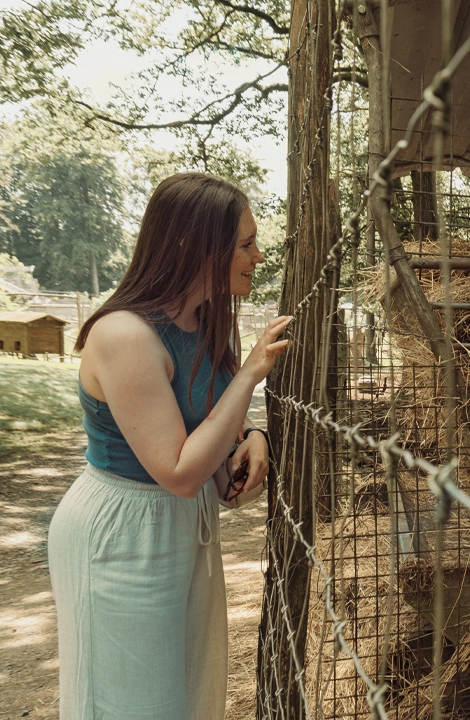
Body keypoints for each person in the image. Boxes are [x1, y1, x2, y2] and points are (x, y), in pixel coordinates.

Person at [47, 172, 292, 719]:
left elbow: (209, 420)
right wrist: (251, 374)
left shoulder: (203, 322)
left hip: (181, 525)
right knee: (127, 702)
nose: (257, 255)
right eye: (246, 244)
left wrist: (253, 435)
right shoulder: (125, 335)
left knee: (184, 694)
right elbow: (180, 471)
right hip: (122, 530)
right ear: (197, 244)